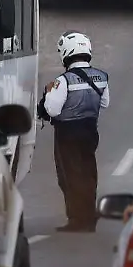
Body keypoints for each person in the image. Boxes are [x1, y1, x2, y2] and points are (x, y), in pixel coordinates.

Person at [38, 31, 110, 232]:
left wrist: (48, 93)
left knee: (69, 176)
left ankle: (78, 220)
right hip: (90, 131)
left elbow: (52, 109)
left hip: (67, 134)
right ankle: (89, 216)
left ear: (66, 53)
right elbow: (104, 103)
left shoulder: (64, 81)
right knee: (88, 173)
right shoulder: (102, 77)